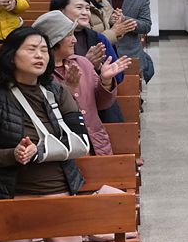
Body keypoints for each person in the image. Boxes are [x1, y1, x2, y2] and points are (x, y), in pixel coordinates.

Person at [0, 27, 91, 240]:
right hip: (12, 196)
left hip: (60, 190)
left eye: (44, 50)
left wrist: (38, 152)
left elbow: (80, 143)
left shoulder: (58, 92)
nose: (40, 55)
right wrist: (13, 154)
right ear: (11, 56)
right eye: (31, 49)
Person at [32, 10, 125, 157]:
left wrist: (106, 81)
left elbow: (102, 104)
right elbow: (44, 114)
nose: (74, 40)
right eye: (69, 35)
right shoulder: (38, 73)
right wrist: (67, 89)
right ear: (54, 40)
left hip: (97, 145)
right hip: (64, 148)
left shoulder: (82, 63)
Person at [104, 0, 154, 82]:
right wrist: (109, 21)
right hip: (105, 53)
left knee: (131, 89)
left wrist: (124, 19)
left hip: (130, 53)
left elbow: (146, 26)